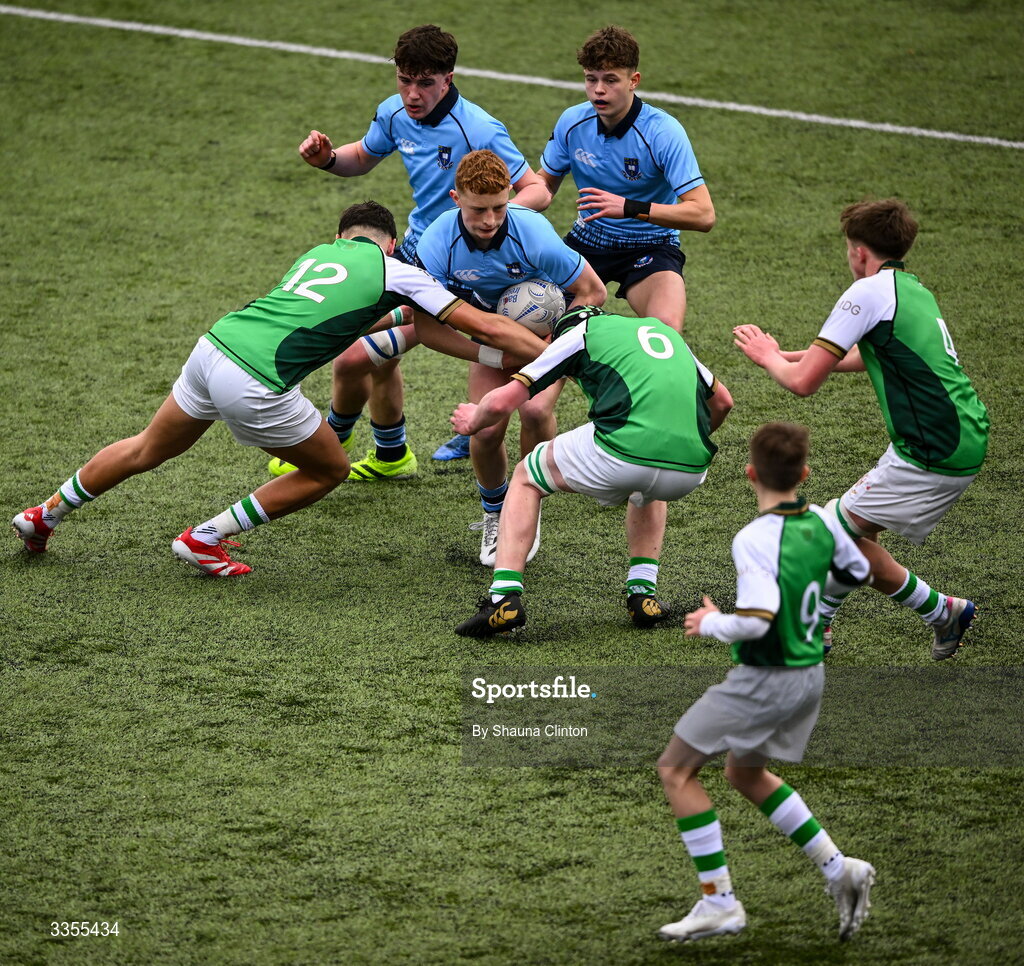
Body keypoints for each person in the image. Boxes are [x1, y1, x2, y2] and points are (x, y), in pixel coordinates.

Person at [11, 202, 547, 574]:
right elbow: (479, 323)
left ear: (341, 238)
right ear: (392, 244)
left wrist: (482, 350)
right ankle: (205, 538)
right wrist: (545, 354)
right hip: (255, 381)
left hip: (212, 348)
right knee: (330, 468)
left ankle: (44, 514)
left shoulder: (315, 255)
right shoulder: (396, 270)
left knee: (146, 447)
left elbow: (386, 325)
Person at [733, 199, 989, 659]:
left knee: (832, 534)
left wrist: (767, 357)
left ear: (858, 252)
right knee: (853, 529)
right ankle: (823, 626)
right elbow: (867, 356)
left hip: (933, 447)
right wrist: (791, 352)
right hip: (959, 430)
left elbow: (804, 384)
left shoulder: (866, 292)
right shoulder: (912, 289)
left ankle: (942, 610)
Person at [294, 24, 551, 477]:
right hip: (415, 255)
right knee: (353, 353)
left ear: (448, 79)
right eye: (405, 80)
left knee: (358, 353)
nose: (412, 94)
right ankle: (389, 455)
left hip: (460, 267)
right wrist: (329, 160)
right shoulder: (395, 113)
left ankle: (334, 444)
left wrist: (479, 220)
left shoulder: (478, 129)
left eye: (425, 83)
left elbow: (537, 191)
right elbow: (364, 155)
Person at [657, 422, 874, 944]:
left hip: (766, 677)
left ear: (750, 473)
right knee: (746, 773)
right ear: (804, 473)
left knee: (676, 771)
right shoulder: (824, 522)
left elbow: (756, 619)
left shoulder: (753, 539)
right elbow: (856, 569)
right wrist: (816, 616)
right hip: (808, 675)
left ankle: (719, 903)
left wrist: (709, 622)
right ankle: (838, 868)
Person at [452, 306, 732, 637]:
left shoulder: (577, 336)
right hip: (690, 466)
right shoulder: (664, 333)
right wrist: (682, 439)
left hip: (623, 450)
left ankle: (503, 598)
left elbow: (501, 403)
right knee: (648, 489)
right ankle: (642, 593)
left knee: (527, 476)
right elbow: (723, 402)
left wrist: (473, 420)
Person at [415, 150, 606, 564]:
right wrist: (491, 354)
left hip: (549, 339)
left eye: (499, 207)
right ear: (455, 199)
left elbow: (593, 291)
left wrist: (561, 345)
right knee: (483, 430)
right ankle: (494, 510)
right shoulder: (436, 242)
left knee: (536, 412)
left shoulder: (532, 231)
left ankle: (528, 505)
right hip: (491, 340)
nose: (490, 220)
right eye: (478, 209)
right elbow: (426, 326)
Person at [535, 25, 715, 334]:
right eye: (591, 79)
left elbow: (703, 214)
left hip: (651, 246)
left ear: (634, 81)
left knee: (665, 332)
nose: (598, 91)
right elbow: (544, 183)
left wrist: (630, 207)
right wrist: (508, 210)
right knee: (544, 334)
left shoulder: (662, 132)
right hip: (587, 242)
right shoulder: (573, 121)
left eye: (610, 80)